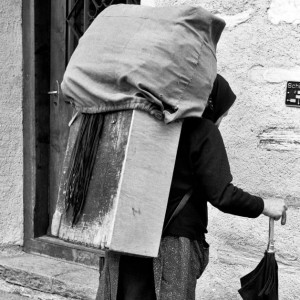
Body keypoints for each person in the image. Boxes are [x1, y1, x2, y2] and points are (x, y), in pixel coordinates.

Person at [96, 74, 287, 300]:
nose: (221, 120)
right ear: (210, 103)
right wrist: (265, 205)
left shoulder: (146, 121)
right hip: (172, 245)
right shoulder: (203, 130)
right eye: (223, 115)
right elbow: (223, 195)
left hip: (128, 235)